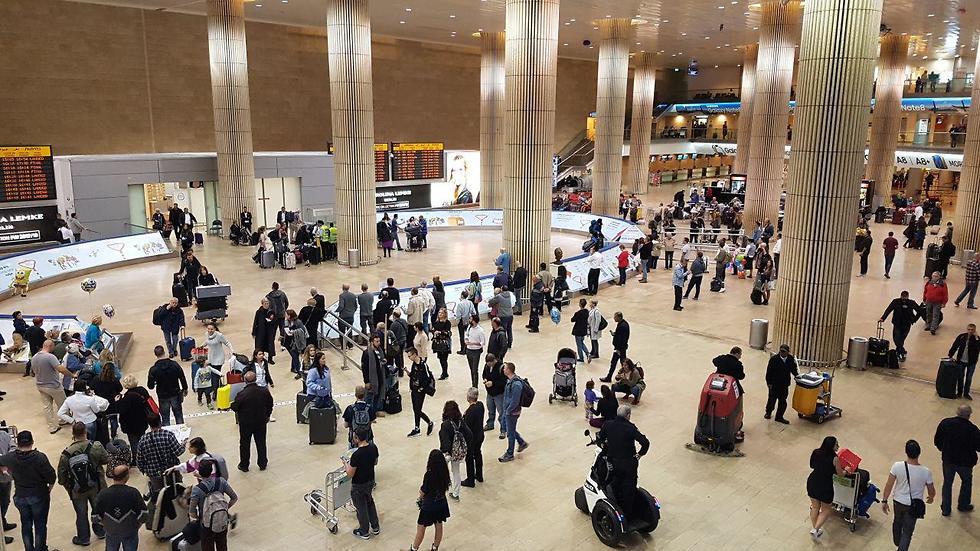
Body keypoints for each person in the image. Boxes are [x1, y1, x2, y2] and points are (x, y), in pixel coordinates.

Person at [0, 431, 56, 551]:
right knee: (40, 526)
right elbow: (51, 477)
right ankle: (40, 549)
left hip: (20, 497)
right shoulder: (40, 457)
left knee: (26, 525)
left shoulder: (11, 457)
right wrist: (48, 490)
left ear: (18, 443)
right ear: (32, 442)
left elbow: (1, 461)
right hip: (38, 496)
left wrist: (5, 471)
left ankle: (29, 549)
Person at [56, 422, 108, 545]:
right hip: (97, 485)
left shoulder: (66, 454)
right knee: (98, 508)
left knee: (81, 513)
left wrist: (69, 488)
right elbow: (106, 460)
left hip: (77, 489)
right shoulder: (96, 446)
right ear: (85, 432)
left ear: (73, 434)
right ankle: (100, 531)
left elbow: (61, 478)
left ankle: (84, 538)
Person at [882, 440, 936, 551]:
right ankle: (902, 547)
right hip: (913, 506)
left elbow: (889, 484)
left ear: (906, 452)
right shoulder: (926, 472)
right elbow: (932, 490)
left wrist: (884, 500)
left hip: (898, 502)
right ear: (919, 453)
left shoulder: (897, 466)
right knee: (907, 532)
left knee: (897, 522)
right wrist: (931, 497)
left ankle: (897, 541)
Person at [595, 405, 650, 515]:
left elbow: (600, 438)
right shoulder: (631, 428)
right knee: (629, 487)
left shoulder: (608, 424)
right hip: (629, 464)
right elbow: (645, 443)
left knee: (614, 483)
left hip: (613, 463)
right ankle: (628, 513)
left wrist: (605, 445)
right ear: (628, 415)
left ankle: (615, 506)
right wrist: (639, 454)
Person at [934, 405, 980, 516]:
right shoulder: (973, 429)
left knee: (947, 483)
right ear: (969, 415)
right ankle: (963, 504)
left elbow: (937, 440)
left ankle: (946, 508)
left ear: (957, 412)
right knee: (966, 482)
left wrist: (943, 450)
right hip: (965, 463)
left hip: (948, 460)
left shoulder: (945, 423)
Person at [94, 464, 146, 551]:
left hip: (111, 532)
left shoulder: (103, 494)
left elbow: (95, 518)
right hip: (130, 531)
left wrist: (107, 526)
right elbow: (144, 515)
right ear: (127, 476)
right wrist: (136, 526)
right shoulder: (133, 493)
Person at [230, 371, 274, 472]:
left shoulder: (242, 394)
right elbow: (270, 404)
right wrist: (268, 415)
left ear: (245, 381)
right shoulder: (264, 391)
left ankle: (244, 465)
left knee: (245, 444)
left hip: (246, 423)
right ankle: (262, 463)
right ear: (255, 379)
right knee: (261, 443)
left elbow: (235, 407)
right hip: (261, 421)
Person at [410, 449, 451, 551]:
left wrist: (419, 497)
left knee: (421, 527)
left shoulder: (429, 474)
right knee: (439, 525)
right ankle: (435, 547)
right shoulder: (444, 472)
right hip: (441, 503)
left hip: (429, 506)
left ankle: (414, 548)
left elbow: (424, 490)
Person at [806, 436, 846, 541]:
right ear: (832, 446)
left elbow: (811, 465)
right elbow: (840, 474)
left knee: (815, 507)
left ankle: (816, 530)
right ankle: (815, 529)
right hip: (825, 485)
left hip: (812, 481)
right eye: (836, 444)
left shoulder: (815, 452)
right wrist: (846, 470)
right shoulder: (835, 458)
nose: (838, 446)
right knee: (826, 509)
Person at [32, 339, 75, 434]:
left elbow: (33, 371)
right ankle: (65, 420)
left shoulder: (34, 357)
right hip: (53, 386)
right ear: (50, 346)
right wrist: (72, 375)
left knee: (47, 407)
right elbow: (61, 369)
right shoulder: (50, 357)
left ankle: (52, 427)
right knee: (63, 404)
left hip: (40, 385)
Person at [346, 427, 381, 539]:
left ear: (356, 438)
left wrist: (345, 463)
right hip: (370, 481)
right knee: (370, 502)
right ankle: (375, 526)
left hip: (358, 484)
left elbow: (350, 474)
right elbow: (375, 462)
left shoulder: (356, 455)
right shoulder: (373, 447)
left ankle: (364, 530)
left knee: (361, 507)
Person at [136, 413, 183, 493]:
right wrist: (183, 445)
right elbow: (178, 451)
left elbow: (139, 460)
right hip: (170, 470)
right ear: (160, 422)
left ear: (149, 424)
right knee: (176, 491)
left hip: (154, 473)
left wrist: (144, 470)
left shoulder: (143, 440)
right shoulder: (168, 435)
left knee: (160, 495)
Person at [109, 375, 150, 464]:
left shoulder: (126, 398)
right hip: (142, 420)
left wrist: (117, 402)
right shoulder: (142, 391)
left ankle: (137, 460)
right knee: (142, 439)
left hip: (130, 424)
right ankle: (146, 456)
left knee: (134, 443)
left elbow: (121, 410)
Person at [438, 400, 472, 501]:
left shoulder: (446, 424)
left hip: (448, 453)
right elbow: (469, 434)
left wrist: (446, 452)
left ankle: (440, 492)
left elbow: (445, 441)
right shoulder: (461, 421)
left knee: (441, 471)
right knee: (456, 472)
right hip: (458, 452)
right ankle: (456, 493)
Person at [147, 344, 188, 426]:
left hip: (162, 395)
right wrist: (185, 388)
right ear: (164, 352)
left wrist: (155, 382)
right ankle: (182, 433)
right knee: (178, 415)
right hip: (175, 393)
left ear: (155, 354)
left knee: (165, 417)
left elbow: (150, 386)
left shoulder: (153, 369)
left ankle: (166, 435)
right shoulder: (174, 364)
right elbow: (182, 377)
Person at [498, 362, 529, 463]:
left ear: (509, 370)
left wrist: (508, 410)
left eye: (505, 368)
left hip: (512, 412)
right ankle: (521, 442)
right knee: (509, 428)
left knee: (510, 433)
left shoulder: (516, 384)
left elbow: (515, 401)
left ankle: (510, 453)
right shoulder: (509, 381)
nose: (503, 369)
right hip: (508, 411)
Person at [880, 290, 921, 362]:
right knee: (896, 339)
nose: (904, 299)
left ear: (908, 297)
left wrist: (914, 319)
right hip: (897, 323)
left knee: (901, 340)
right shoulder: (895, 302)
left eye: (905, 297)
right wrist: (883, 318)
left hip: (907, 324)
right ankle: (902, 352)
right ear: (901, 296)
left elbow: (920, 311)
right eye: (903, 297)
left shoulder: (912, 303)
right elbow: (888, 310)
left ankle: (900, 352)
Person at [764, 344, 798, 424]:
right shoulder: (774, 359)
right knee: (772, 400)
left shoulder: (790, 359)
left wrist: (797, 376)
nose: (782, 353)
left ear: (787, 352)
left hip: (784, 384)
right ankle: (768, 412)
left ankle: (779, 416)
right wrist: (769, 383)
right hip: (774, 384)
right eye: (781, 351)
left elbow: (793, 369)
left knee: (783, 401)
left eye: (784, 351)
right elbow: (769, 372)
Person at [406, 348, 436, 438]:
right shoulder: (414, 364)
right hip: (414, 390)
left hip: (420, 391)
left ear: (415, 354)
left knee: (418, 409)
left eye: (410, 356)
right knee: (415, 409)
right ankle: (417, 428)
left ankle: (428, 423)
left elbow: (427, 378)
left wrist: (421, 388)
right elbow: (414, 376)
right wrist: (408, 372)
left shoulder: (423, 365)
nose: (409, 358)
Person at [949, 324, 979, 400]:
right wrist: (950, 355)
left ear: (974, 330)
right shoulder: (962, 336)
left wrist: (976, 338)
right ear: (967, 329)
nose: (970, 331)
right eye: (969, 329)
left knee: (969, 378)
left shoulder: (977, 339)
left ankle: (966, 393)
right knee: (960, 377)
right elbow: (955, 345)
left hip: (971, 362)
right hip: (961, 361)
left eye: (972, 330)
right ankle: (959, 393)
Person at [461, 388, 485, 487]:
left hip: (472, 438)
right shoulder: (480, 405)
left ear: (468, 397)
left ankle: (470, 480)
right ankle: (479, 475)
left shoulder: (470, 412)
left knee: (469, 458)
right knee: (478, 453)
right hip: (480, 435)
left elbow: (466, 427)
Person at [361, 334, 387, 414]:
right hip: (371, 379)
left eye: (379, 341)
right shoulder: (367, 353)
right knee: (369, 397)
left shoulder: (380, 350)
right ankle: (366, 413)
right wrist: (367, 381)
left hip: (379, 376)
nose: (379, 343)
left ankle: (374, 411)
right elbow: (364, 369)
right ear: (372, 342)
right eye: (377, 341)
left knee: (377, 395)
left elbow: (383, 359)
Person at [252, 298, 278, 364]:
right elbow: (255, 322)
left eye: (267, 303)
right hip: (260, 332)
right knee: (260, 345)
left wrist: (272, 320)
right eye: (265, 304)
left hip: (269, 332)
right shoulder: (259, 312)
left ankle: (270, 358)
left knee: (270, 345)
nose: (266, 305)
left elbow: (276, 322)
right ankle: (261, 358)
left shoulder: (271, 312)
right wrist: (254, 332)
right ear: (262, 304)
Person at [463, 315, 486, 388]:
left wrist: (473, 343)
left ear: (474, 321)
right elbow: (466, 335)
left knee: (474, 369)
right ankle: (473, 383)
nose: (469, 320)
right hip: (469, 350)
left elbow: (483, 343)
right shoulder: (469, 327)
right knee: (471, 368)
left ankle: (475, 385)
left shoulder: (480, 331)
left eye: (470, 319)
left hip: (476, 351)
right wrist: (466, 340)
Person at [431, 308, 453, 380]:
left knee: (444, 359)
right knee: (440, 358)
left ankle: (445, 373)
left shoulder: (447, 323)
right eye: (439, 313)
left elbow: (448, 332)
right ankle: (444, 372)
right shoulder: (436, 323)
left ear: (445, 314)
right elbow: (433, 329)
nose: (440, 314)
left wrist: (440, 332)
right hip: (438, 344)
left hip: (444, 343)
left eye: (442, 313)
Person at [453, 291, 476, 355]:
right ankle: (468, 347)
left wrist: (457, 322)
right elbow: (474, 312)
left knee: (462, 336)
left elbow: (458, 315)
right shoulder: (470, 302)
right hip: (468, 321)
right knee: (468, 335)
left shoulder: (460, 304)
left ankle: (463, 350)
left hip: (461, 321)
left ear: (462, 295)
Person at [570, 298, 590, 363]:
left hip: (578, 331)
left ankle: (581, 358)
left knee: (579, 345)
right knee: (581, 342)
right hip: (584, 330)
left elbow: (572, 320)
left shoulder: (578, 313)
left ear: (580, 304)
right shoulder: (587, 312)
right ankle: (587, 353)